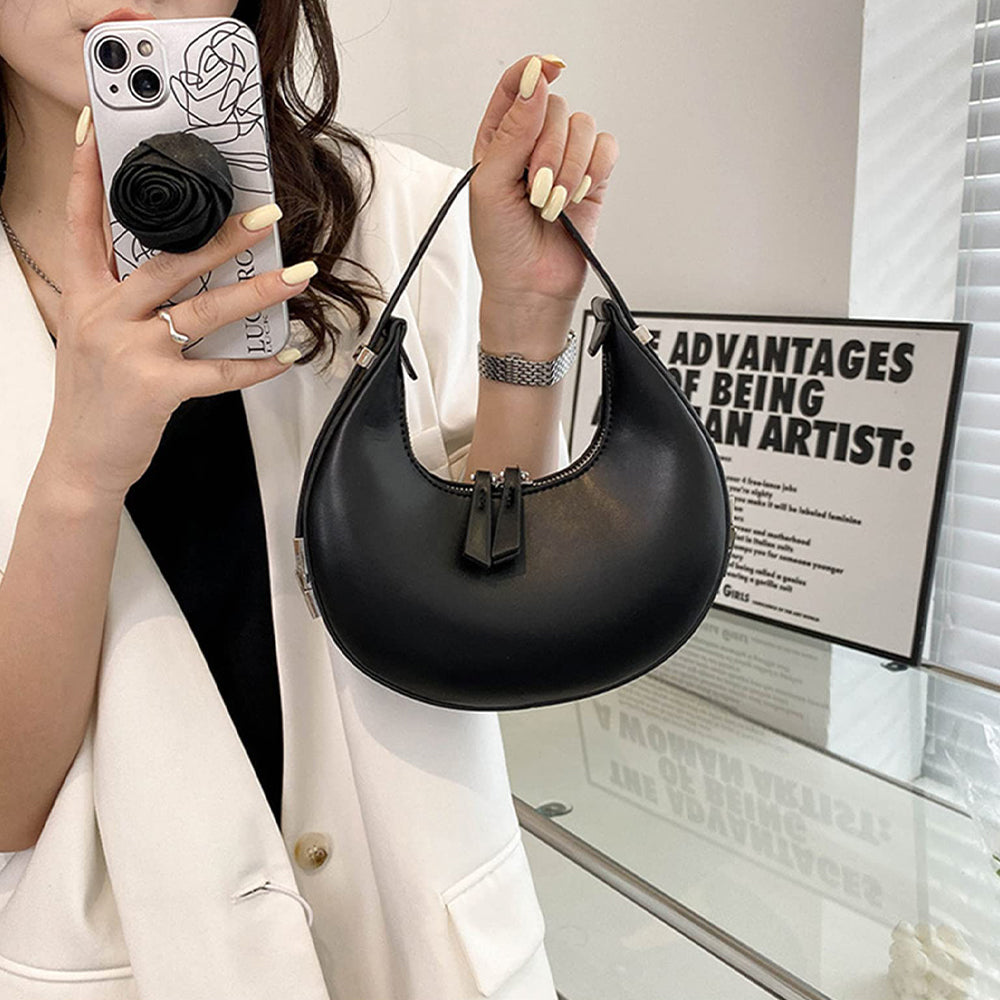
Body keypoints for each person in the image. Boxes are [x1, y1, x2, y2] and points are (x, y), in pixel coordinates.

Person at [0, 0, 618, 997]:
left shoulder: (399, 213)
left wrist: (524, 320)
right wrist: (78, 476)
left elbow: (492, 618)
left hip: (424, 945)